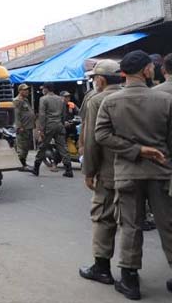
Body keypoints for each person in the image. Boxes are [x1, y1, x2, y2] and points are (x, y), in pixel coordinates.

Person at [95, 50, 172, 300]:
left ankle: (130, 281)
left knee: (130, 225)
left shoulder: (110, 102)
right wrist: (153, 151)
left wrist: (136, 150)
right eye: (151, 67)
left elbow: (101, 136)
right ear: (147, 70)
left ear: (125, 73)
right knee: (168, 225)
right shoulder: (164, 100)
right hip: (161, 172)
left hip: (127, 173)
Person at [78, 59, 123, 285]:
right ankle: (130, 274)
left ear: (101, 80)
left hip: (108, 171)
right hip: (137, 169)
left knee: (103, 217)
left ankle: (102, 268)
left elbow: (93, 140)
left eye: (94, 78)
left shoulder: (97, 100)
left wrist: (89, 171)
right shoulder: (135, 96)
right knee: (131, 222)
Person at [32, 82, 72, 177]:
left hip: (48, 126)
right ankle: (69, 169)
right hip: (59, 125)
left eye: (43, 88)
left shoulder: (43, 99)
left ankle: (36, 168)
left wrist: (41, 130)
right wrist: (62, 124)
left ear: (46, 89)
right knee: (63, 147)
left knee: (43, 147)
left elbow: (42, 115)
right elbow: (63, 114)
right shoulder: (60, 99)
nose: (42, 90)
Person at [13, 84, 35, 170]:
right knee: (22, 147)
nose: (27, 91)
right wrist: (19, 126)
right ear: (20, 91)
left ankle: (24, 163)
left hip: (28, 126)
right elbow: (16, 115)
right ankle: (21, 165)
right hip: (23, 127)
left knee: (26, 147)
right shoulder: (17, 101)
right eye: (25, 90)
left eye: (28, 90)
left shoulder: (25, 100)